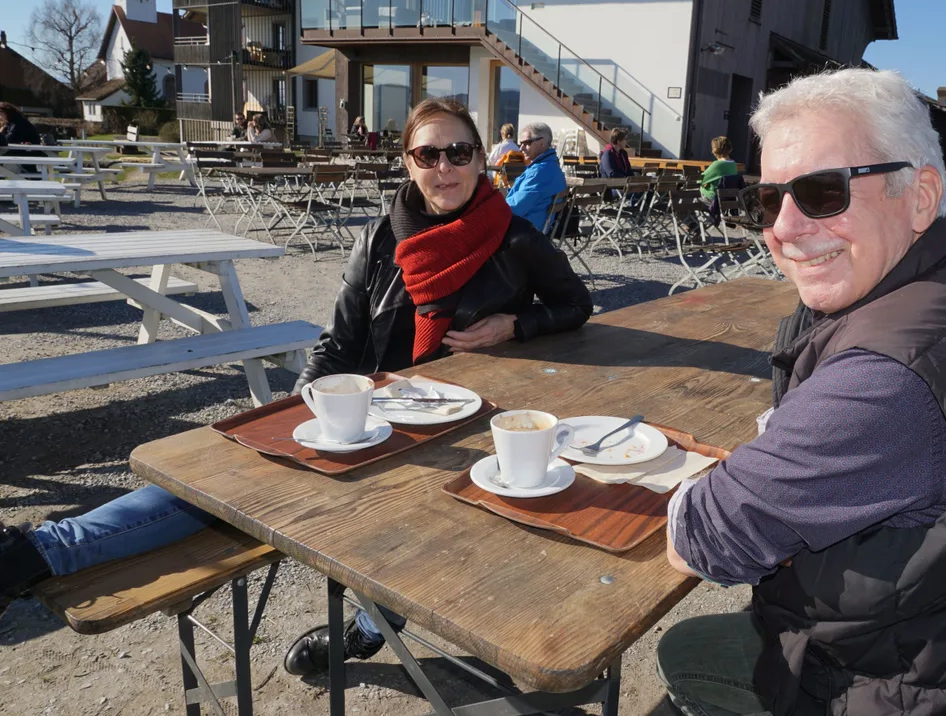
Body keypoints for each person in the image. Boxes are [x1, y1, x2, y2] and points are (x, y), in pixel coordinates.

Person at [0, 97, 593, 678]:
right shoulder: (379, 240)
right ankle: (34, 552)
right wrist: (292, 413)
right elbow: (337, 345)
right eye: (428, 154)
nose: (445, 167)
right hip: (373, 422)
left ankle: (368, 630)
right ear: (408, 163)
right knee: (223, 476)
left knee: (425, 525)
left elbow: (575, 304)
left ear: (482, 159)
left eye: (459, 153)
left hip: (465, 431)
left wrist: (515, 324)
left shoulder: (516, 239)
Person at [656, 69, 946, 716]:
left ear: (921, 197)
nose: (783, 228)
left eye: (822, 192)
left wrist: (693, 477)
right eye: (768, 199)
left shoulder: (887, 378)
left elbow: (701, 537)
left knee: (686, 649)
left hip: (918, 685)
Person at [506, 122, 567, 229]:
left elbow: (515, 208)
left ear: (542, 143)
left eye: (526, 143)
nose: (521, 148)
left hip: (522, 229)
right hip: (538, 228)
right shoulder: (553, 167)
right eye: (520, 144)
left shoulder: (539, 172)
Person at [698, 135, 739, 203]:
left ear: (715, 150)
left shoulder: (717, 164)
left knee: (696, 191)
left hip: (714, 197)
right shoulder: (733, 164)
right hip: (727, 198)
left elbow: (700, 179)